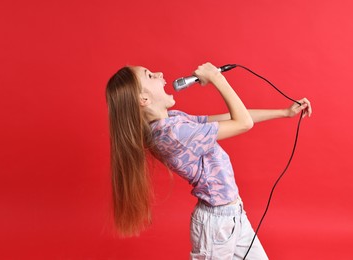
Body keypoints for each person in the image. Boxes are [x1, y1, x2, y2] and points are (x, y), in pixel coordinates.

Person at [105, 62, 312, 259]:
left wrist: (284, 113)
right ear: (144, 100)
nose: (159, 75)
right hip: (215, 226)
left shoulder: (173, 121)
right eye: (149, 75)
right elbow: (243, 123)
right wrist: (216, 78)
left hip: (233, 215)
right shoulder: (174, 134)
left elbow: (229, 118)